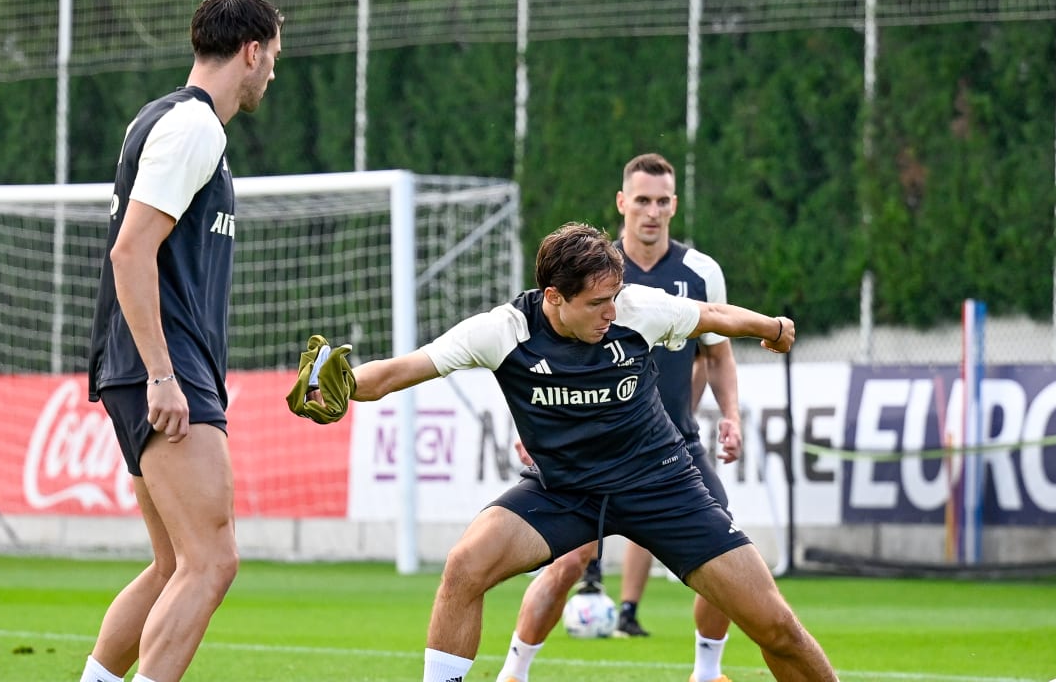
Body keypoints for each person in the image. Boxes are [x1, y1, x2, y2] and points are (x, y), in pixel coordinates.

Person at [313, 222, 837, 682]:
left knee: (775, 626)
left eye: (615, 297)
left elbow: (714, 315)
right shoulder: (503, 331)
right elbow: (401, 370)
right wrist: (336, 390)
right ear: (553, 297)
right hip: (565, 491)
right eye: (596, 302)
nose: (611, 311)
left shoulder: (637, 309)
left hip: (661, 484)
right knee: (465, 565)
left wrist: (773, 328)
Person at [82, 0, 283, 682]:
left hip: (142, 364)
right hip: (160, 369)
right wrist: (163, 374)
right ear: (251, 51)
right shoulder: (194, 127)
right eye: (273, 58)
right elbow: (130, 251)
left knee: (173, 563)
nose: (272, 75)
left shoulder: (162, 120)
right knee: (212, 560)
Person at [495, 153, 746, 682]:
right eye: (642, 201)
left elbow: (717, 353)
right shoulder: (589, 273)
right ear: (621, 203)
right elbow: (531, 356)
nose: (652, 212)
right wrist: (533, 432)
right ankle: (513, 673)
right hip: (589, 454)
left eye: (662, 202)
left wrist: (731, 416)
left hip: (672, 449)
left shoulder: (701, 273)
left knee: (728, 548)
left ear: (674, 205)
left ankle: (707, 672)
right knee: (566, 563)